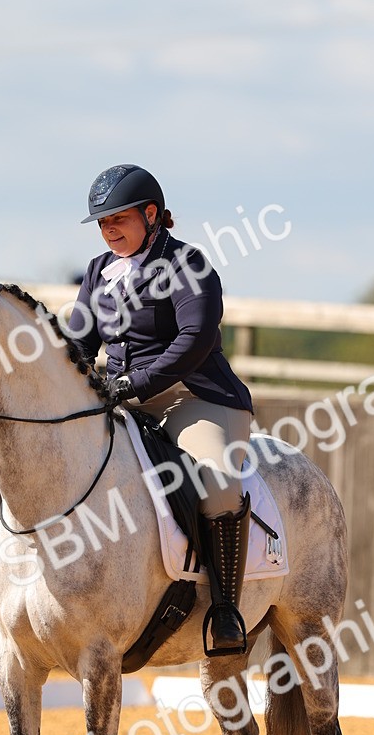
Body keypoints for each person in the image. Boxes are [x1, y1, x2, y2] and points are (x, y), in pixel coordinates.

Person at [67, 163, 254, 654]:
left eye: (118, 220)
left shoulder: (189, 265)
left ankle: (226, 609)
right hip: (121, 395)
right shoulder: (97, 272)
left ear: (151, 215)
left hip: (195, 398)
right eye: (103, 223)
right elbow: (81, 343)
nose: (109, 231)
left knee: (215, 480)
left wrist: (137, 381)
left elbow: (195, 340)